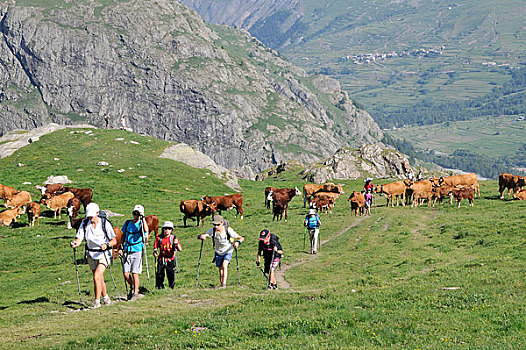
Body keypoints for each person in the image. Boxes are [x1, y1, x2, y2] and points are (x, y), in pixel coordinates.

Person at [70, 203, 117, 308]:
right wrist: (75, 243)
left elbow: (114, 240)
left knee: (96, 277)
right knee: (99, 278)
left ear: (97, 213)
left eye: (92, 216)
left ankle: (97, 302)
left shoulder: (105, 224)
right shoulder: (85, 223)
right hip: (91, 253)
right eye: (89, 216)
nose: (90, 218)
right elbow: (79, 238)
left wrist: (107, 244)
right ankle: (106, 298)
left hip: (104, 254)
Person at [198, 215, 244, 288]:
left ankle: (224, 285)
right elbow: (205, 235)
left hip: (228, 250)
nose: (216, 227)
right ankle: (222, 284)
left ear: (222, 223)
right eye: (214, 225)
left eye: (218, 225)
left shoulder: (228, 230)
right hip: (218, 252)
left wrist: (238, 242)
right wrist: (202, 236)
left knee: (224, 265)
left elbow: (241, 238)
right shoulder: (213, 230)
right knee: (220, 269)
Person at [118, 204, 149, 301]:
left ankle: (135, 292)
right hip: (127, 250)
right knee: (126, 273)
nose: (135, 215)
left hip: (137, 250)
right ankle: (133, 286)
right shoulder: (127, 223)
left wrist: (143, 218)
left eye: (137, 214)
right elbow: (123, 234)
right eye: (134, 213)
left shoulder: (141, 223)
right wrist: (120, 246)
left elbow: (146, 230)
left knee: (135, 273)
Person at [153, 221, 182, 289]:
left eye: (169, 229)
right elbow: (155, 247)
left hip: (170, 258)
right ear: (163, 229)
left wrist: (176, 244)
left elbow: (180, 249)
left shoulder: (173, 238)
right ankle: (159, 287)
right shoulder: (159, 238)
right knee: (159, 274)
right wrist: (155, 252)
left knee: (171, 273)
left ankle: (171, 287)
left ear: (172, 230)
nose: (167, 230)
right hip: (161, 258)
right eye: (165, 228)